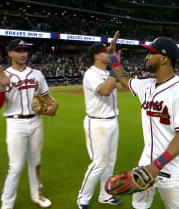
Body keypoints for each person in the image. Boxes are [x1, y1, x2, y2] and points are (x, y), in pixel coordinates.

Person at [107, 32, 179, 209]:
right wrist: (112, 56)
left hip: (172, 169)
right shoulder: (146, 85)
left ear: (164, 59)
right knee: (139, 206)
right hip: (145, 164)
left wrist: (156, 167)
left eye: (151, 53)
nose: (147, 57)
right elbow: (124, 79)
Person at [0, 39, 58, 209]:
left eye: (25, 50)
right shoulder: (3, 76)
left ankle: (37, 195)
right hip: (15, 124)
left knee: (35, 161)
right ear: (10, 53)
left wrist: (53, 107)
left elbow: (49, 99)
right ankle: (7, 204)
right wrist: (2, 87)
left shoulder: (37, 74)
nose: (23, 53)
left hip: (36, 121)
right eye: (18, 50)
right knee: (16, 166)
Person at [77, 43, 123, 209]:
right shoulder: (91, 74)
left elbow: (122, 82)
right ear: (97, 56)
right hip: (97, 123)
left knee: (110, 163)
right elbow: (105, 90)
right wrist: (114, 68)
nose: (108, 53)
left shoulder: (106, 71)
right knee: (99, 163)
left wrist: (116, 65)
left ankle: (105, 195)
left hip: (112, 120)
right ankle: (83, 199)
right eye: (105, 52)